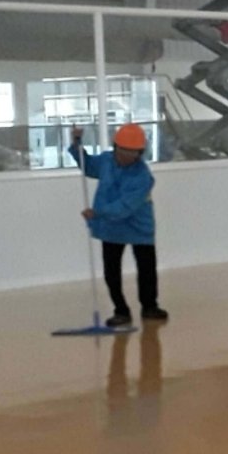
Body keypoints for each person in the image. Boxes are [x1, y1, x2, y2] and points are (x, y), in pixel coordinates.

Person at [70, 124, 167, 328]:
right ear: (115, 147)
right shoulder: (106, 160)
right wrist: (77, 143)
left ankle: (149, 306)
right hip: (110, 227)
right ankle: (121, 310)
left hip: (138, 225)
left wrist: (98, 212)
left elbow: (125, 206)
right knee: (111, 270)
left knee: (146, 268)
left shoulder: (142, 176)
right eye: (122, 150)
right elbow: (87, 165)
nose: (125, 156)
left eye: (132, 153)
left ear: (140, 153)